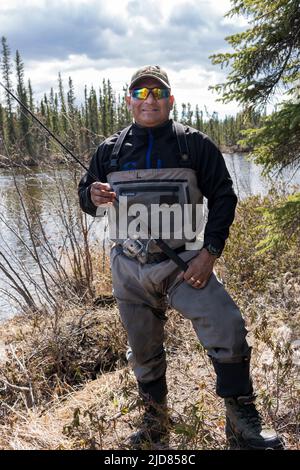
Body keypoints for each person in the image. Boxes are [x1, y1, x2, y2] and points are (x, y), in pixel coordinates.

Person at [78, 65, 284, 450]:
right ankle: (155, 423)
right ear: (129, 102)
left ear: (171, 100)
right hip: (129, 267)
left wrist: (210, 253)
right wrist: (92, 196)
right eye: (141, 94)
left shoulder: (195, 145)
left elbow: (224, 196)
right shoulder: (109, 150)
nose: (149, 100)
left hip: (185, 264)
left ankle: (242, 425)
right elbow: (85, 196)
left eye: (157, 93)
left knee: (227, 326)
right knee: (143, 349)